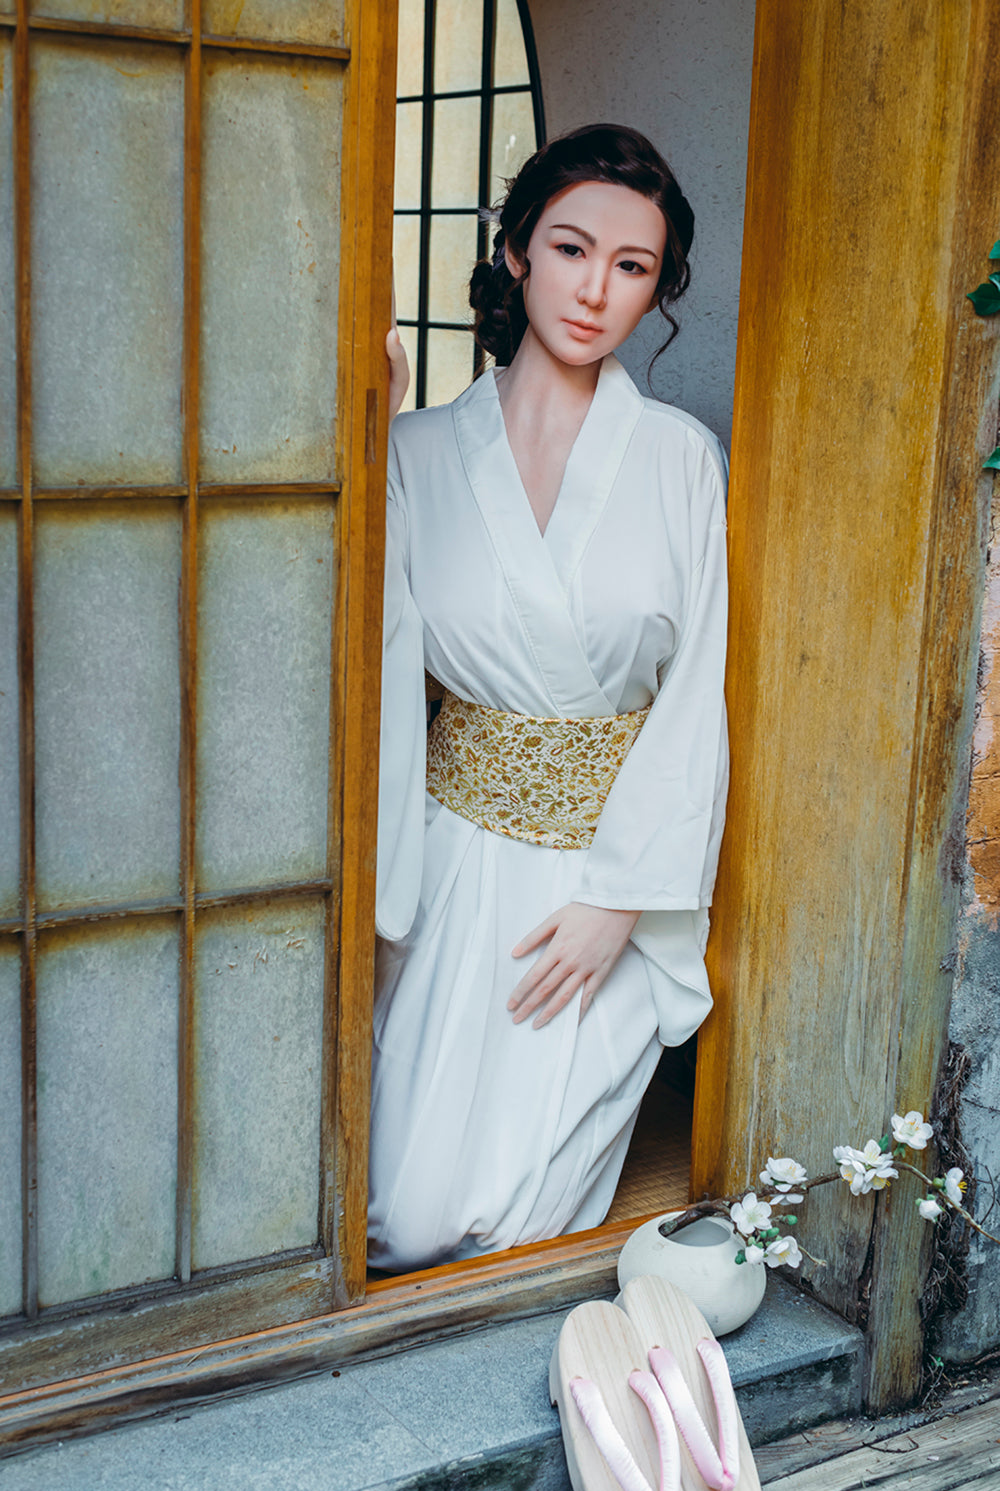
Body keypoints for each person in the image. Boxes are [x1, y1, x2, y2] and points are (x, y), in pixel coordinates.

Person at [369, 124, 728, 1273]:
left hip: (606, 880)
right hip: (449, 859)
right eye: (571, 249)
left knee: (519, 1226)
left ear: (655, 289)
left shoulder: (680, 460)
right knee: (400, 1221)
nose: (594, 290)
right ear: (517, 251)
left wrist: (622, 901)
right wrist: (364, 432)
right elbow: (371, 660)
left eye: (631, 267)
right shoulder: (416, 454)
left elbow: (696, 698)